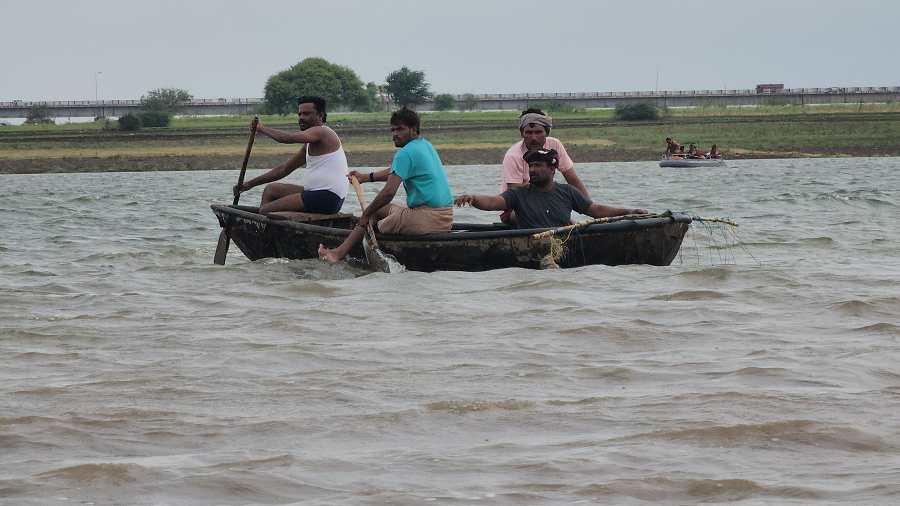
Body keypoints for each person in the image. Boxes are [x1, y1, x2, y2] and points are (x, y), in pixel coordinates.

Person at [318, 106, 454, 262]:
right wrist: (365, 177)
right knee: (378, 210)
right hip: (446, 218)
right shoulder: (425, 145)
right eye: (393, 130)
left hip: (426, 218)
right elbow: (396, 171)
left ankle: (337, 253)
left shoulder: (405, 153)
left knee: (371, 221)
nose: (395, 134)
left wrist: (365, 215)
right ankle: (344, 249)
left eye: (400, 129)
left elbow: (389, 192)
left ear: (414, 129)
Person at [455, 148, 647, 230]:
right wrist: (472, 198)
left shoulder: (567, 192)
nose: (532, 170)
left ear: (552, 169)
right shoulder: (519, 194)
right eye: (530, 166)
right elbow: (492, 202)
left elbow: (597, 210)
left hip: (562, 241)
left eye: (538, 165)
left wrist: (629, 211)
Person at [233, 96, 349, 215]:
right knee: (271, 190)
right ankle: (267, 229)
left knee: (266, 210)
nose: (301, 118)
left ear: (320, 116)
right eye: (299, 114)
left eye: (306, 114)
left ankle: (265, 229)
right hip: (315, 194)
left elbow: (288, 138)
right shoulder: (309, 145)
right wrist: (250, 184)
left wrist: (261, 129)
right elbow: (284, 170)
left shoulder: (322, 132)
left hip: (327, 197)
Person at [499, 108, 588, 224]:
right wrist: (565, 218)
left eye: (538, 132)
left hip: (547, 202)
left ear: (547, 133)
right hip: (515, 209)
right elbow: (517, 197)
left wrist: (590, 208)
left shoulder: (555, 144)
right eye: (529, 133)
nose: (534, 138)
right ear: (522, 134)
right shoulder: (513, 156)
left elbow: (573, 180)